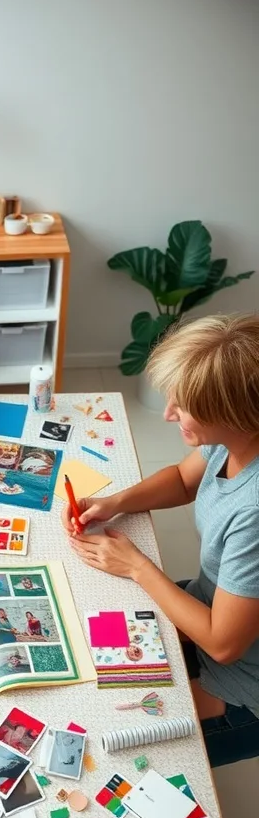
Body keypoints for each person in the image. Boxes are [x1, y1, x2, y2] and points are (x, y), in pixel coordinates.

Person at [64, 315, 259, 768]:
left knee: (120, 740)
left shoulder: (254, 512)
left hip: (242, 679)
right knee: (92, 653)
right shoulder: (234, 438)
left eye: (183, 405)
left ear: (233, 412)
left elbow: (224, 645)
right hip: (212, 609)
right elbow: (182, 480)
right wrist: (116, 501)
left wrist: (137, 566)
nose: (169, 413)